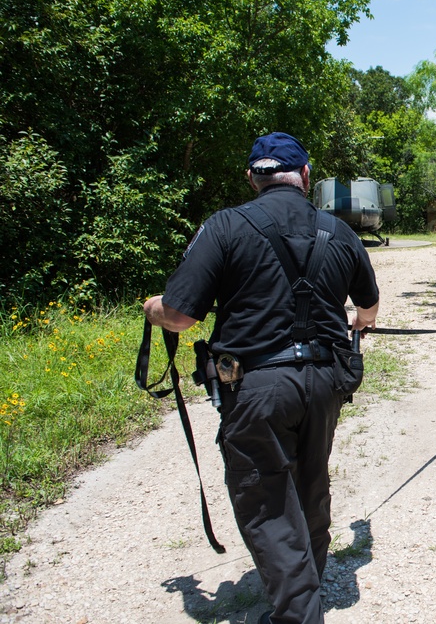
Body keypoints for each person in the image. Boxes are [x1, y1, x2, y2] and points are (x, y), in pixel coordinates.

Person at [144, 132, 380, 624]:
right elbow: (368, 307)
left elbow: (181, 316)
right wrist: (358, 322)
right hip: (325, 384)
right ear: (306, 177)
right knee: (310, 484)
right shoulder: (340, 232)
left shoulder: (226, 226)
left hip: (257, 388)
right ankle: (307, 582)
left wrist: (152, 310)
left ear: (253, 177)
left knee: (267, 500)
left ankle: (298, 614)